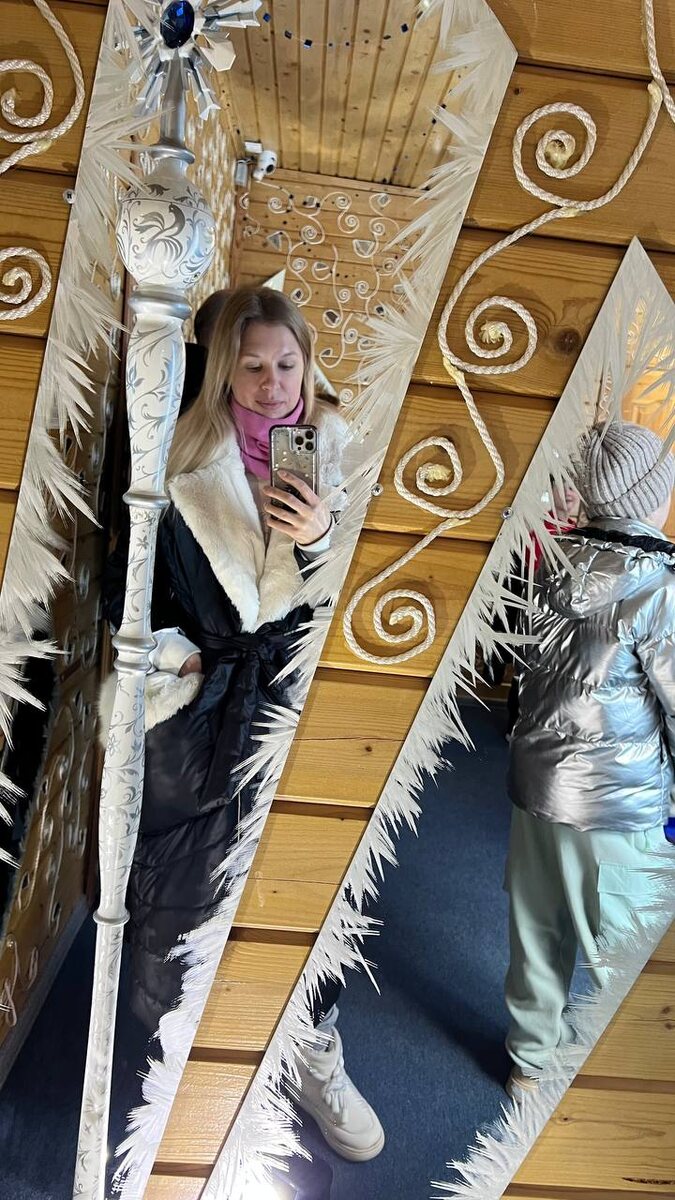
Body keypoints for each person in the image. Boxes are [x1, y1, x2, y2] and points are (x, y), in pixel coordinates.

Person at [102, 285, 384, 1159]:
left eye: (286, 364)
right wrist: (178, 658)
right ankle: (166, 1080)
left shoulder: (347, 458)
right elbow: (125, 592)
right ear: (222, 370)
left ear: (308, 364)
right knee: (178, 902)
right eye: (251, 366)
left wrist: (321, 538)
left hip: (300, 712)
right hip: (200, 713)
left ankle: (309, 1052)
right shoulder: (177, 454)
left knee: (301, 890)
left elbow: (374, 609)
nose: (271, 385)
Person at [504, 420, 675, 1099]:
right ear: (652, 495)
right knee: (626, 948)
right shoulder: (659, 586)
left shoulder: (551, 564)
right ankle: (622, 1084)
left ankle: (529, 1062)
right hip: (619, 802)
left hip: (536, 785)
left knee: (536, 926)